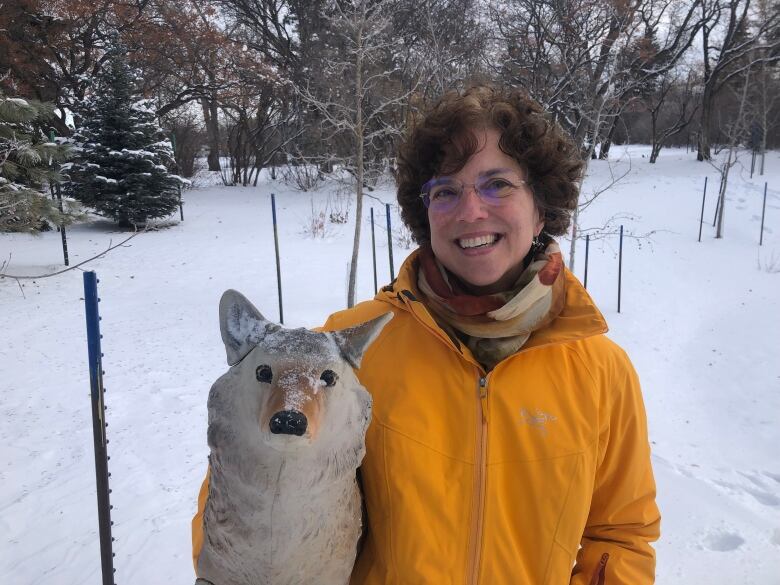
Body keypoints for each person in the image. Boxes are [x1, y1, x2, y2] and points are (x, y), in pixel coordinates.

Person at [192, 84, 660, 584]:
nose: (471, 211)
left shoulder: (599, 369)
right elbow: (247, 493)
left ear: (542, 206)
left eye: (497, 184)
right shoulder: (344, 351)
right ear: (425, 214)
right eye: (446, 191)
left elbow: (622, 533)